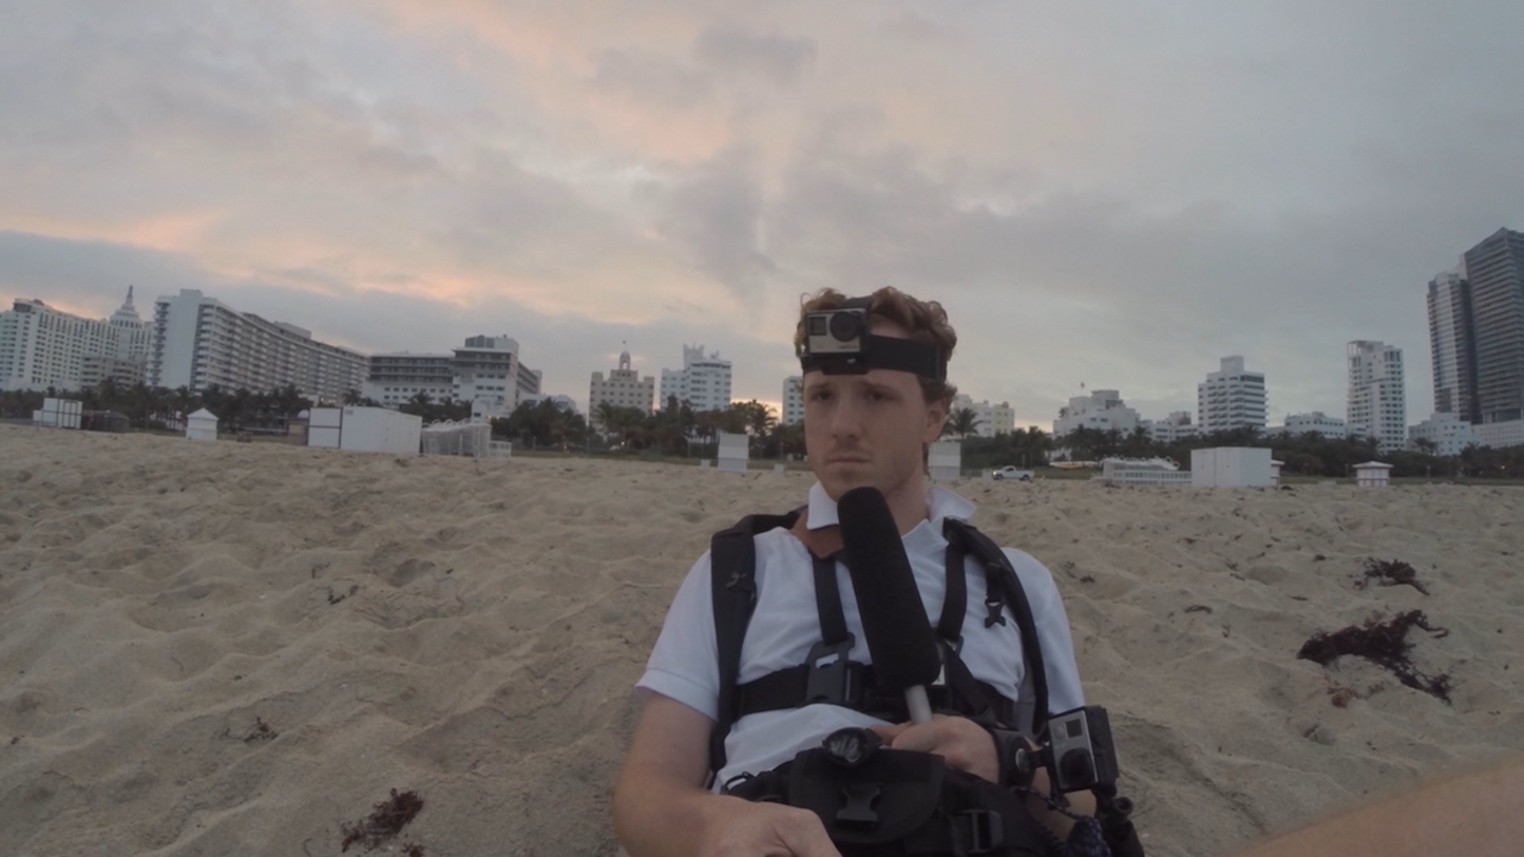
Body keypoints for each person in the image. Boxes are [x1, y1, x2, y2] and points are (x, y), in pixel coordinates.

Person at [613, 287, 1107, 857]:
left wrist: (1012, 760)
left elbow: (1087, 806)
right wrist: (716, 828)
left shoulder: (1016, 582)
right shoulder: (738, 570)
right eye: (822, 397)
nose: (842, 424)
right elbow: (647, 790)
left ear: (934, 418)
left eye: (874, 396)